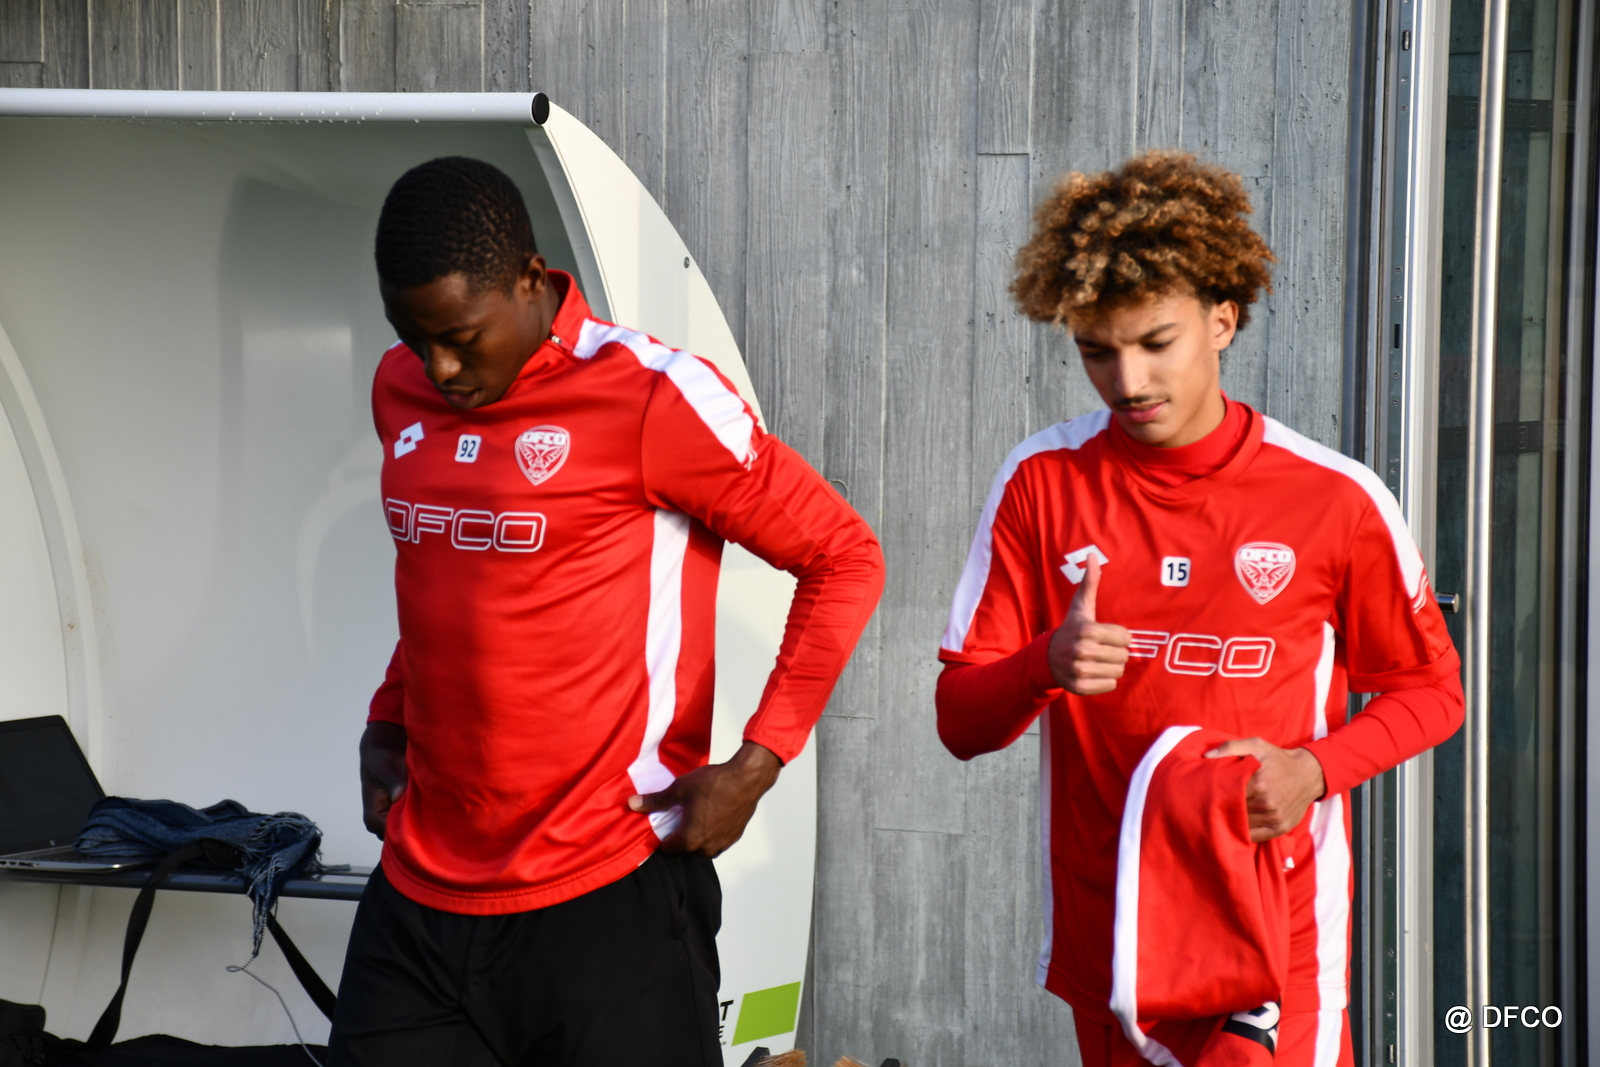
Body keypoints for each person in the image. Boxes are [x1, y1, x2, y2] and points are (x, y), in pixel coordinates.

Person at [328, 157, 885, 1067]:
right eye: (412, 336)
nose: (439, 366)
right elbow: (450, 572)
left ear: (531, 279)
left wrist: (756, 765)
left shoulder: (654, 395)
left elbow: (844, 554)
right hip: (421, 897)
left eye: (460, 337)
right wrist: (388, 717)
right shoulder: (402, 387)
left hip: (607, 898)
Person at [935, 151, 1463, 1067]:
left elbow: (1432, 692)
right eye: (1096, 351)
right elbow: (959, 722)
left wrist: (1313, 768)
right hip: (1112, 943)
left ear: (1223, 319)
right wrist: (1043, 665)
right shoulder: (1041, 482)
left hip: (1273, 950)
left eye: (1155, 342)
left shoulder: (1334, 498)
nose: (1128, 380)